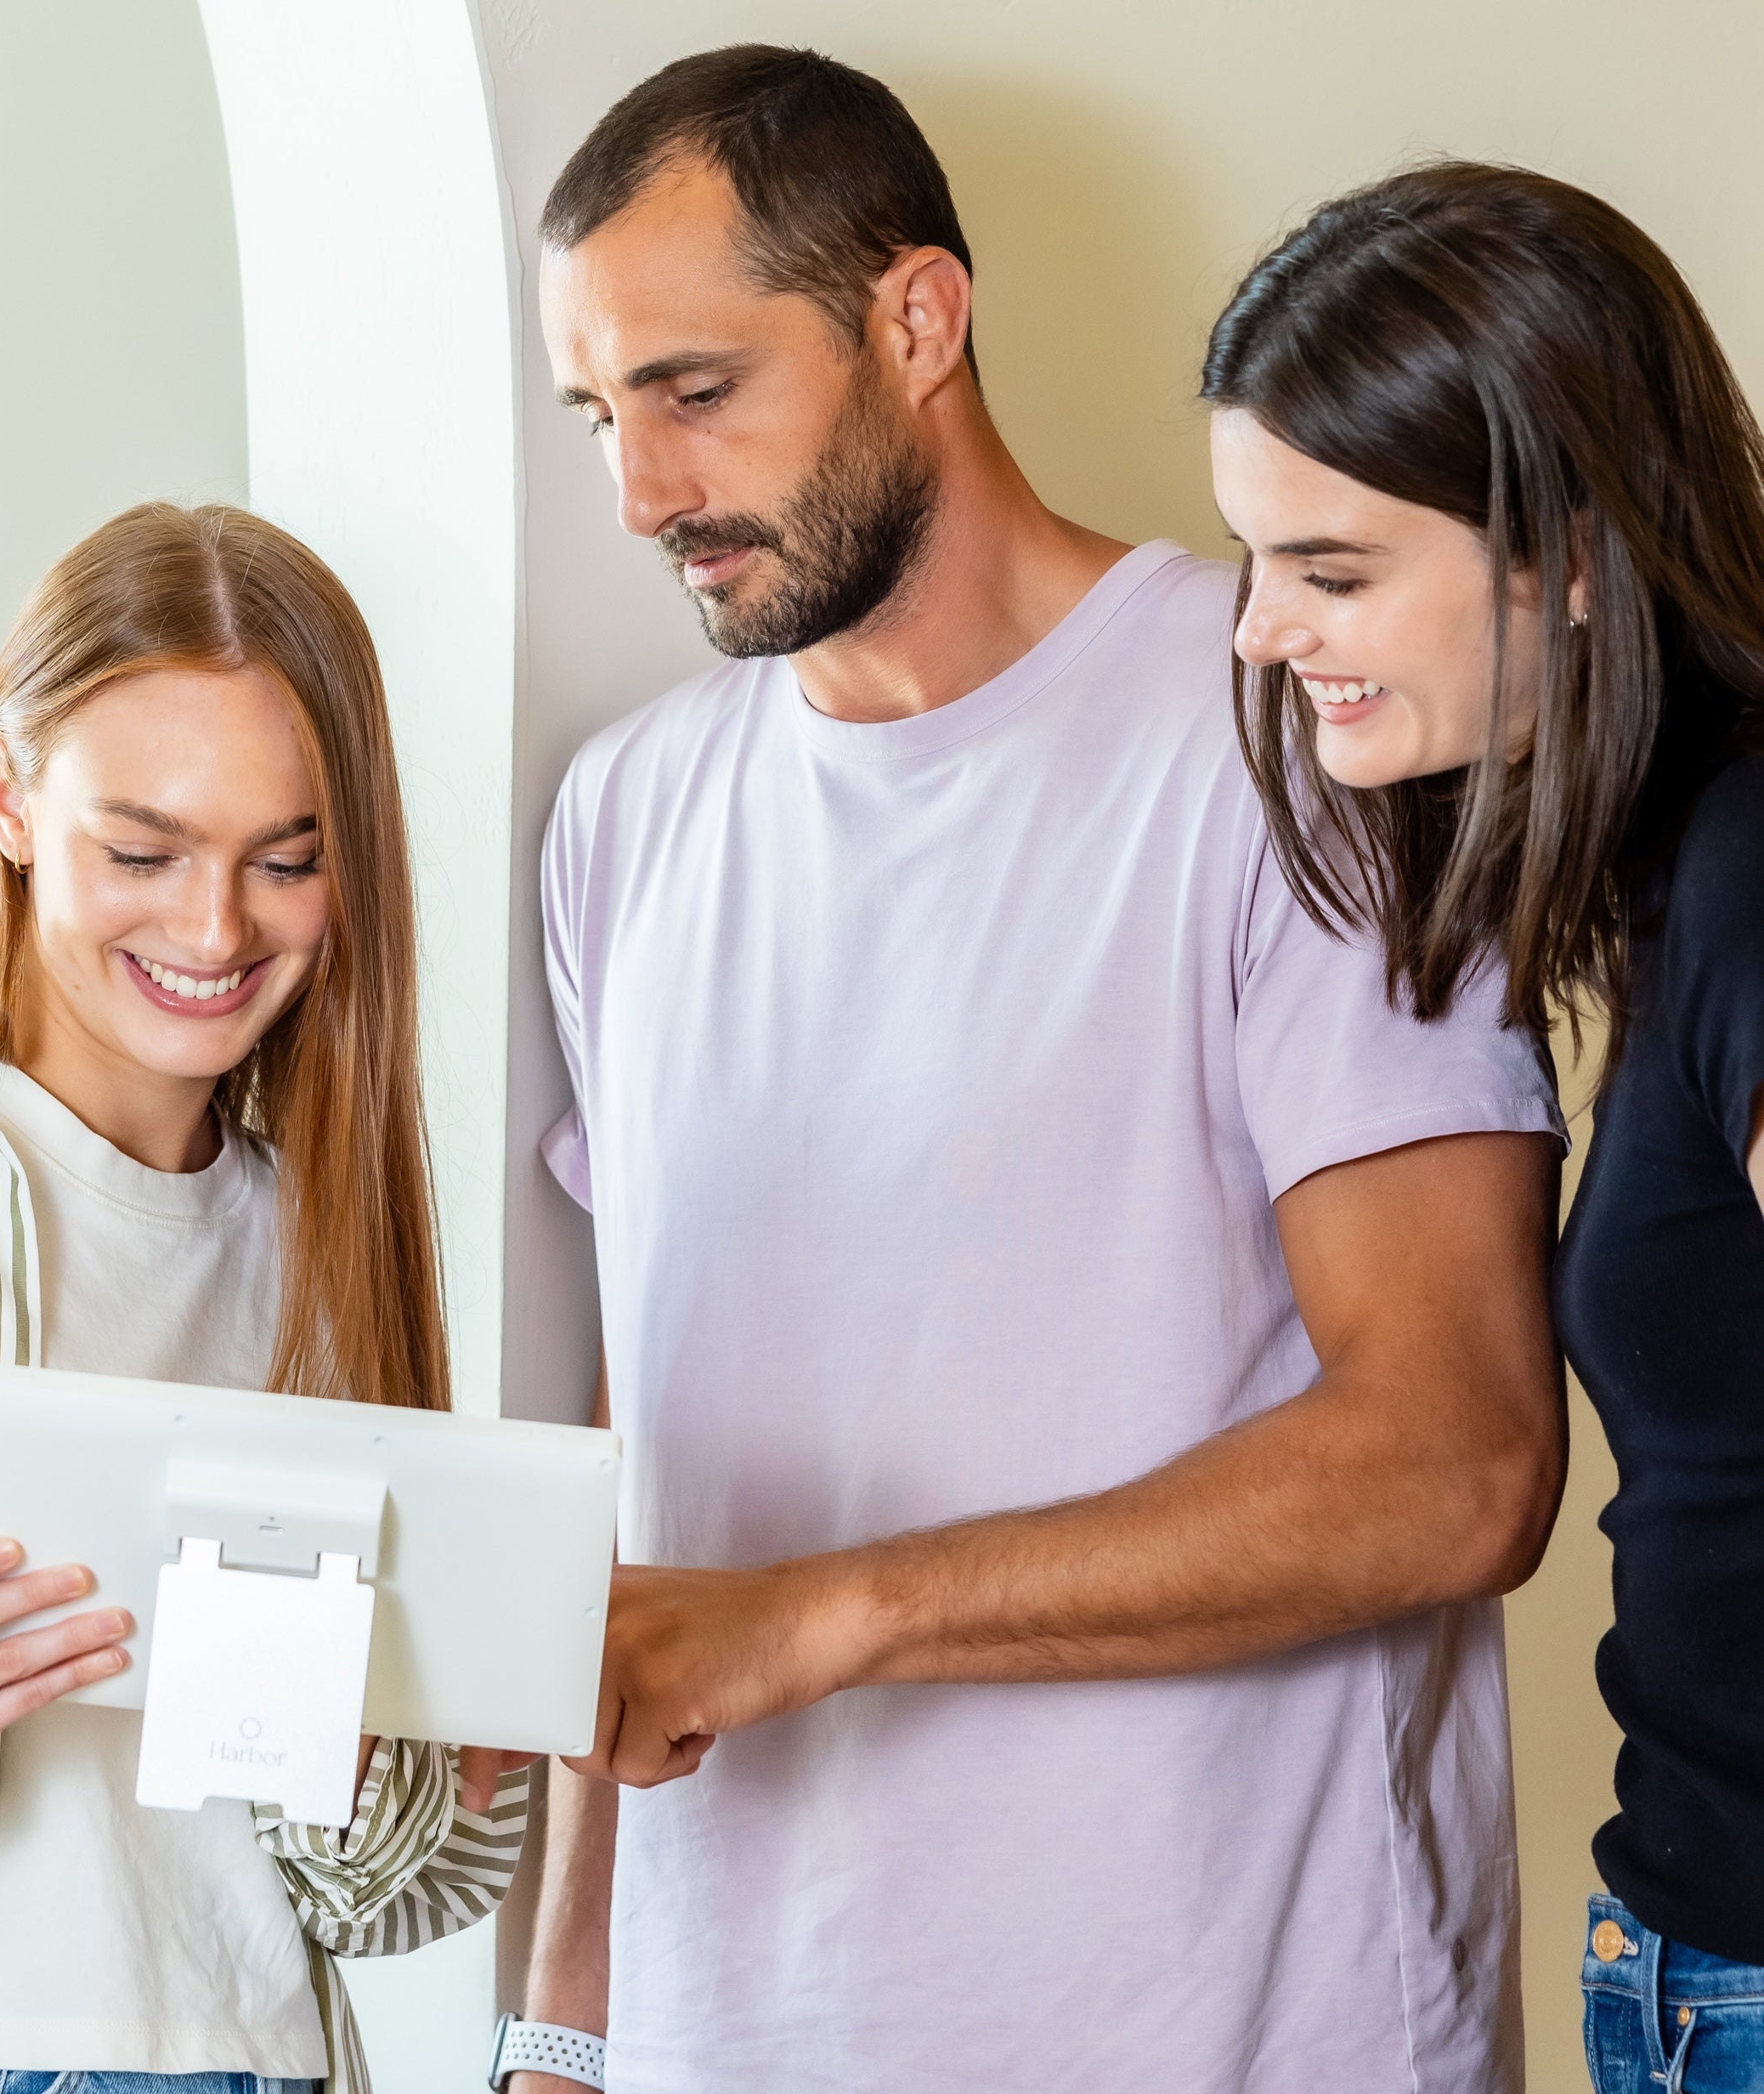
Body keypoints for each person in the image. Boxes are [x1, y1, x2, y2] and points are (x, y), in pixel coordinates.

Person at [507, 47, 1567, 2094]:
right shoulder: (625, 819)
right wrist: (565, 2025)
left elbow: (1455, 1457)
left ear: (917, 319)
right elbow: (640, 1471)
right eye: (596, 411)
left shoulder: (1291, 735)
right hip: (742, 2041)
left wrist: (826, 1616)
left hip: (1249, 2032)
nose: (641, 491)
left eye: (694, 389)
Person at [0, 502, 529, 2094]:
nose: (214, 931)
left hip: (260, 2062)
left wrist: (372, 1762)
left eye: (289, 862)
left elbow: (409, 1890)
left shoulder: (319, 1243)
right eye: (140, 851)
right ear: (6, 793)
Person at [1202, 161, 1764, 2094]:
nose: (1264, 633)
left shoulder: (1759, 864)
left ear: (1575, 552)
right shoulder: (1676, 875)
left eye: (1329, 569)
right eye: (1252, 558)